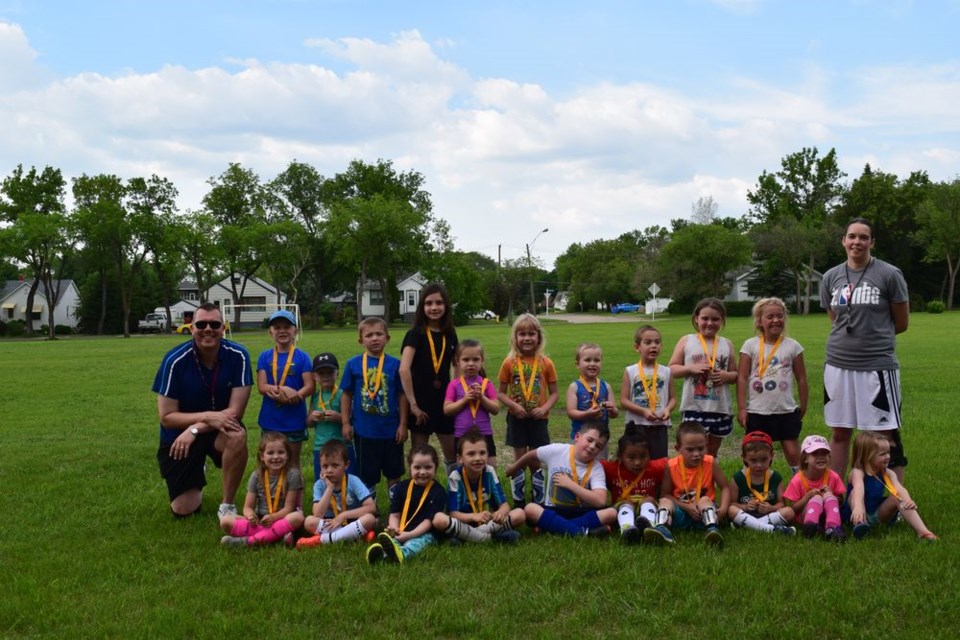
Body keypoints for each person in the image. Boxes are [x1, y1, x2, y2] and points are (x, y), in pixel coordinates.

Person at [821, 218, 910, 480]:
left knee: (884, 435)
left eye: (863, 237)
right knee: (840, 432)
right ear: (843, 241)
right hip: (837, 365)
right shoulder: (830, 277)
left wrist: (871, 340)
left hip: (876, 367)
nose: (856, 242)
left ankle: (893, 501)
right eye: (851, 236)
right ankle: (836, 499)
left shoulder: (889, 274)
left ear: (872, 242)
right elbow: (835, 319)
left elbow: (901, 323)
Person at [152, 301, 252, 518]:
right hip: (179, 436)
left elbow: (235, 413)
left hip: (214, 430)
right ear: (192, 328)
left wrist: (196, 428)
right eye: (202, 324)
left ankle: (227, 506)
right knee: (184, 509)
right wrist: (205, 418)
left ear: (223, 328)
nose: (208, 329)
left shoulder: (239, 356)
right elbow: (167, 417)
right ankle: (196, 468)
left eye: (215, 324)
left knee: (237, 434)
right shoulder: (174, 361)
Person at [505, 423, 617, 537]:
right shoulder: (557, 450)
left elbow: (600, 500)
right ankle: (583, 532)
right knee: (530, 509)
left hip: (580, 512)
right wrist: (514, 467)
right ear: (577, 437)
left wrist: (571, 485)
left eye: (598, 446)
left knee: (611, 513)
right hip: (553, 510)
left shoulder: (596, 468)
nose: (592, 446)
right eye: (589, 440)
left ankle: (553, 529)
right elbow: (531, 455)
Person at [737, 298, 808, 472]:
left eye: (780, 316)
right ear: (759, 321)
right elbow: (742, 378)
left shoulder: (793, 346)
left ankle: (801, 485)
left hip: (785, 410)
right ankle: (753, 487)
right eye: (770, 316)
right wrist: (741, 408)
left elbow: (802, 378)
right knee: (756, 453)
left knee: (793, 452)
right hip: (757, 411)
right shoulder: (750, 345)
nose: (776, 320)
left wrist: (804, 406)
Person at [341, 317, 408, 499]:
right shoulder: (353, 364)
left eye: (379, 334)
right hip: (364, 433)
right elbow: (346, 394)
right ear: (361, 340)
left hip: (391, 432)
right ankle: (371, 513)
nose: (375, 338)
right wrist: (345, 423)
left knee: (394, 474)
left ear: (387, 338)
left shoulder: (395, 365)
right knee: (367, 476)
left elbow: (402, 395)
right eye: (369, 335)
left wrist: (403, 424)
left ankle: (396, 510)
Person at [498, 313, 559, 507]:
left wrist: (544, 408)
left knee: (535, 459)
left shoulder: (546, 363)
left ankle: (538, 502)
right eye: (522, 334)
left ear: (539, 337)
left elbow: (555, 393)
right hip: (516, 418)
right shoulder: (509, 363)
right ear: (515, 338)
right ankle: (519, 503)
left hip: (539, 419)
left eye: (531, 334)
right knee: (519, 459)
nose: (526, 338)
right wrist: (514, 406)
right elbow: (500, 393)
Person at [400, 283, 459, 474]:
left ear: (446, 306)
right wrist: (413, 405)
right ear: (422, 307)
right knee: (419, 456)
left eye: (439, 303)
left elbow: (457, 366)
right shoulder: (415, 333)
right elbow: (404, 370)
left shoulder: (450, 334)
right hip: (420, 406)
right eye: (429, 303)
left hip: (445, 404)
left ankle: (454, 495)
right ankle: (419, 497)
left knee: (453, 456)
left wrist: (456, 397)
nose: (434, 308)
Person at [668, 298, 738, 457]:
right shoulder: (687, 340)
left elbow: (736, 375)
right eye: (705, 318)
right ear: (696, 319)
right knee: (694, 451)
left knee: (711, 453)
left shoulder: (726, 344)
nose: (710, 323)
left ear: (722, 320)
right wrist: (690, 368)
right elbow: (671, 369)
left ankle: (708, 481)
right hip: (694, 407)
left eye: (715, 319)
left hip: (720, 408)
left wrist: (726, 376)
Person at [432, 428, 525, 543]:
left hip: (487, 523)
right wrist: (474, 516)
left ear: (487, 454)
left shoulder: (489, 471)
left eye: (482, 453)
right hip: (464, 522)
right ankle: (492, 538)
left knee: (519, 514)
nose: (478, 458)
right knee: (439, 520)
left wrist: (500, 513)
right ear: (460, 459)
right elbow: (453, 513)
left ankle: (467, 538)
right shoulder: (455, 477)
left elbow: (504, 505)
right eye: (471, 454)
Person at [646, 422, 731, 547]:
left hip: (704, 514)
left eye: (701, 448)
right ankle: (662, 529)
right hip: (681, 513)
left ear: (706, 446)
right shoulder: (671, 465)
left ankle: (712, 529)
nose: (696, 454)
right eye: (690, 450)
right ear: (677, 448)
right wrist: (685, 507)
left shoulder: (710, 462)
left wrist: (723, 509)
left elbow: (725, 487)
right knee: (664, 501)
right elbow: (665, 494)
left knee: (705, 499)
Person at [842, 432, 937, 541]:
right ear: (867, 456)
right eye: (882, 454)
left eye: (888, 452)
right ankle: (860, 525)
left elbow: (899, 489)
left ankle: (923, 532)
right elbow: (859, 488)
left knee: (897, 497)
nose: (887, 457)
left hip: (876, 513)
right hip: (854, 514)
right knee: (854, 493)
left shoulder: (888, 473)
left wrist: (907, 500)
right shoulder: (857, 472)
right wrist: (858, 507)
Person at [219, 432, 305, 547]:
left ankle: (248, 541)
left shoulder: (293, 474)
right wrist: (250, 516)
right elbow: (248, 507)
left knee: (297, 517)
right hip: (260, 521)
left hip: (282, 519)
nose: (276, 457)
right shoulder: (256, 476)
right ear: (262, 456)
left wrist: (273, 517)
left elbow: (289, 508)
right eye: (270, 453)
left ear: (288, 455)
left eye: (281, 452)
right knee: (225, 520)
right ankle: (274, 536)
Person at [366, 444, 447, 564]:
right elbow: (395, 514)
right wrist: (394, 528)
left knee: (414, 544)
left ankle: (402, 554)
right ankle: (380, 554)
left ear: (436, 468)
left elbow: (428, 522)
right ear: (410, 468)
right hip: (402, 530)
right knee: (391, 540)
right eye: (417, 467)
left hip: (425, 533)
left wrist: (409, 535)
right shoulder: (401, 487)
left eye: (428, 467)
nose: (423, 472)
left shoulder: (438, 492)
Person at [256, 310, 314, 473]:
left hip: (294, 420)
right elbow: (262, 386)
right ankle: (269, 497)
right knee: (269, 464)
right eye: (277, 327)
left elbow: (310, 385)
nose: (282, 331)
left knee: (293, 464)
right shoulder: (264, 356)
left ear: (295, 330)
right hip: (270, 420)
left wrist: (297, 395)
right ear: (270, 332)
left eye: (287, 327)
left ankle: (296, 499)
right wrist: (283, 390)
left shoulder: (303, 357)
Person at [297, 440, 378, 548]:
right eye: (325, 466)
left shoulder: (353, 481)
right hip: (330, 524)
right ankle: (354, 536)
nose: (329, 470)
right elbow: (317, 514)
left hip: (353, 520)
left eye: (335, 466)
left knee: (370, 519)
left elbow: (371, 507)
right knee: (309, 521)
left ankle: (323, 540)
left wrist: (343, 515)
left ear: (346, 465)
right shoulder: (320, 485)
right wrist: (329, 488)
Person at [600, 424, 667, 544]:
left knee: (649, 500)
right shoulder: (612, 469)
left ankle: (649, 527)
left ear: (649, 455)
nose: (637, 462)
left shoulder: (655, 467)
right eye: (631, 457)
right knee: (626, 503)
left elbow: (674, 464)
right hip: (621, 508)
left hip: (646, 506)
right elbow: (592, 463)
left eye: (643, 456)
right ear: (620, 456)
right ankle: (627, 529)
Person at [621, 325, 676, 459]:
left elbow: (673, 398)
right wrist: (643, 411)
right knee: (636, 459)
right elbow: (624, 400)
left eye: (657, 342)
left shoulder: (666, 371)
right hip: (636, 424)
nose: (653, 346)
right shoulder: (631, 371)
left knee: (659, 461)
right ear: (637, 347)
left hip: (659, 425)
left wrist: (667, 410)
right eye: (648, 342)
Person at [727, 431, 796, 535]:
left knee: (789, 511)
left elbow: (781, 504)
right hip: (746, 514)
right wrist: (745, 507)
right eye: (753, 460)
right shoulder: (738, 478)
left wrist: (771, 508)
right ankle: (771, 529)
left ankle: (748, 526)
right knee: (731, 510)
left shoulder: (776, 477)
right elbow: (731, 504)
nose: (759, 465)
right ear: (744, 458)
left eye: (764, 460)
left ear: (772, 456)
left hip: (769, 515)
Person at [443, 339, 500, 466]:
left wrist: (482, 398)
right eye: (466, 360)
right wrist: (464, 400)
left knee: (490, 470)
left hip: (484, 434)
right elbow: (447, 410)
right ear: (458, 361)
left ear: (482, 361)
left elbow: (496, 409)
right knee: (463, 471)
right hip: (462, 436)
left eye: (475, 359)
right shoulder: (454, 385)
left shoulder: (486, 384)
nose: (470, 364)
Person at [782, 435, 847, 541]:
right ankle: (811, 527)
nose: (821, 457)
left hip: (827, 515)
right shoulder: (798, 479)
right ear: (805, 459)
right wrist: (807, 497)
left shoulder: (833, 476)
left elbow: (840, 501)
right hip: (805, 516)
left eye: (824, 453)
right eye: (815, 454)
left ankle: (833, 528)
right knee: (816, 498)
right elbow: (794, 509)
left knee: (829, 496)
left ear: (829, 457)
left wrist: (830, 494)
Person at [566, 342, 619, 458]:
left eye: (597, 360)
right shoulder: (574, 387)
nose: (592, 364)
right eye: (587, 360)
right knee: (579, 464)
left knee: (600, 465)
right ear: (577, 364)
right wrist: (586, 414)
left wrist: (612, 409)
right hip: (580, 437)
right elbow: (571, 412)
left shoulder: (606, 386)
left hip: (600, 439)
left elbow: (615, 414)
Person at [306, 352, 353, 481]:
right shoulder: (315, 397)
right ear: (315, 376)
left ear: (337, 373)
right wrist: (312, 417)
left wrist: (338, 417)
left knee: (346, 479)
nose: (326, 376)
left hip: (341, 444)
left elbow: (351, 419)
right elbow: (308, 422)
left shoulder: (343, 394)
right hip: (320, 446)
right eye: (321, 373)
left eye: (329, 372)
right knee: (322, 479)